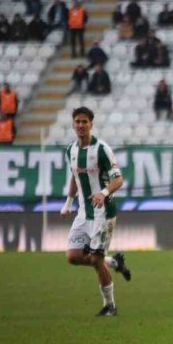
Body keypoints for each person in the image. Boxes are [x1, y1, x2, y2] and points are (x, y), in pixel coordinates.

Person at [59, 107, 132, 317]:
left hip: (103, 213)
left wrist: (103, 192)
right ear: (73, 124)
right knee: (73, 256)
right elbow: (75, 176)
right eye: (77, 122)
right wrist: (68, 203)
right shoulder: (70, 150)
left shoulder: (102, 149)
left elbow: (118, 179)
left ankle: (110, 305)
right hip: (83, 213)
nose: (81, 125)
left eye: (84, 121)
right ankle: (114, 262)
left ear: (91, 124)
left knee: (96, 261)